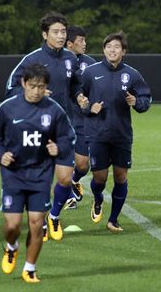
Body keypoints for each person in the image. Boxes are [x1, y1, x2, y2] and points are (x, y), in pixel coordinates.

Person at [0, 64, 75, 283]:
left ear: (46, 87)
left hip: (41, 175)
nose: (36, 91)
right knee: (12, 227)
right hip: (13, 175)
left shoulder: (54, 110)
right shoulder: (8, 108)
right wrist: (0, 155)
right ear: (23, 83)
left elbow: (68, 137)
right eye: (33, 86)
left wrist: (59, 149)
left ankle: (30, 268)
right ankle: (11, 246)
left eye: (41, 87)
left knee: (37, 223)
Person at [5, 11, 86, 241]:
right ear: (45, 34)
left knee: (64, 177)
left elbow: (76, 86)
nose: (61, 36)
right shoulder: (32, 60)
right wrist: (34, 93)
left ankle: (55, 216)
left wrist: (79, 97)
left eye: (63, 32)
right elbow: (11, 88)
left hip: (62, 128)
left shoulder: (71, 58)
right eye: (56, 32)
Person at [81, 32, 152, 232]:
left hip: (122, 135)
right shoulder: (91, 73)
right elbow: (78, 98)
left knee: (121, 177)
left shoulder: (132, 74)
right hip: (98, 134)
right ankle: (97, 198)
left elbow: (146, 99)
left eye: (117, 47)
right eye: (109, 47)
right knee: (99, 178)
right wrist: (88, 108)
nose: (112, 50)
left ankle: (113, 219)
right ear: (104, 50)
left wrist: (136, 102)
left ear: (124, 51)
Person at [64, 25, 97, 210]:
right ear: (70, 44)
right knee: (63, 160)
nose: (85, 44)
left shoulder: (90, 63)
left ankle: (75, 180)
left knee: (83, 165)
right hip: (62, 119)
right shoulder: (57, 62)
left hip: (82, 120)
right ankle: (65, 196)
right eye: (81, 41)